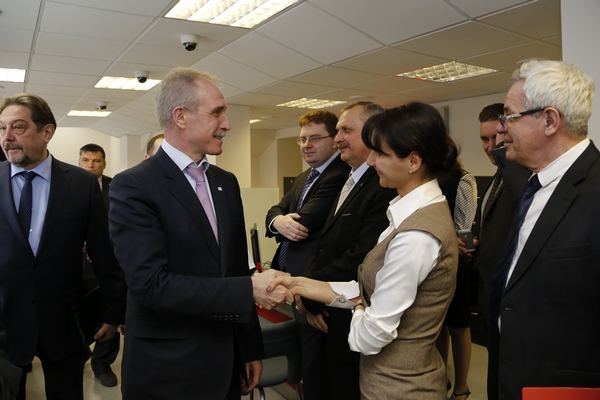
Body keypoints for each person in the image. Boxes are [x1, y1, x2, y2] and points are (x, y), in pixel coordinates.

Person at [108, 67, 289, 399]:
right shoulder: (134, 185)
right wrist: (249, 289)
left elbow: (235, 268)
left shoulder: (225, 183)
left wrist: (249, 347)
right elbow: (150, 286)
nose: (227, 124)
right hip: (168, 369)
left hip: (227, 359)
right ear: (180, 116)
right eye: (216, 112)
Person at [269, 102, 460, 399]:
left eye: (380, 153)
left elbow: (368, 337)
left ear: (413, 161)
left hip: (399, 387)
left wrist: (359, 303)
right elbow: (367, 283)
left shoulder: (416, 234)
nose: (371, 161)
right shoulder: (407, 213)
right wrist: (297, 284)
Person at [0, 93, 126, 400]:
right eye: (2, 128)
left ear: (47, 132)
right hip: (4, 320)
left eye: (18, 127)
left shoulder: (81, 184)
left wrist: (113, 311)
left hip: (63, 318)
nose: (7, 137)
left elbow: (103, 252)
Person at [488, 60, 600, 399]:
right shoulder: (534, 186)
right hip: (512, 375)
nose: (501, 129)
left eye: (509, 117)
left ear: (549, 121)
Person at [300, 101, 396, 399]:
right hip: (331, 312)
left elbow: (362, 256)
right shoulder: (350, 177)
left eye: (345, 130)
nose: (338, 138)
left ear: (373, 133)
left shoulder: (383, 185)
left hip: (352, 316)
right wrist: (310, 293)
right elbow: (324, 245)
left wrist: (310, 293)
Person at [265, 110, 349, 398]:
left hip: (313, 281)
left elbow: (306, 221)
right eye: (302, 139)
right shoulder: (305, 177)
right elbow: (275, 210)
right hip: (294, 279)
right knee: (306, 355)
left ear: (334, 140)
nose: (306, 145)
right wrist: (279, 221)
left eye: (315, 138)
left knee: (316, 363)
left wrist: (284, 221)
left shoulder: (340, 175)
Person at [472, 104, 530, 344]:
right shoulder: (495, 179)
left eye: (496, 137)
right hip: (487, 287)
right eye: (484, 139)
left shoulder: (523, 176)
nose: (490, 146)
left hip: (510, 291)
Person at [77, 143, 122, 387]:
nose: (90, 165)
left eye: (95, 161)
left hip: (110, 261)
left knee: (110, 309)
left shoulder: (117, 187)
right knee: (78, 313)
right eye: (86, 160)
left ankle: (102, 364)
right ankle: (79, 354)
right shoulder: (70, 186)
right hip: (78, 262)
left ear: (104, 164)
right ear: (79, 162)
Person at [437, 160, 477, 400]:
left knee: (459, 325)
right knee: (438, 325)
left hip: (457, 261)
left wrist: (451, 237)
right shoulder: (426, 177)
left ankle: (461, 389)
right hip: (434, 261)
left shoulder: (463, 179)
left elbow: (464, 231)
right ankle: (440, 380)